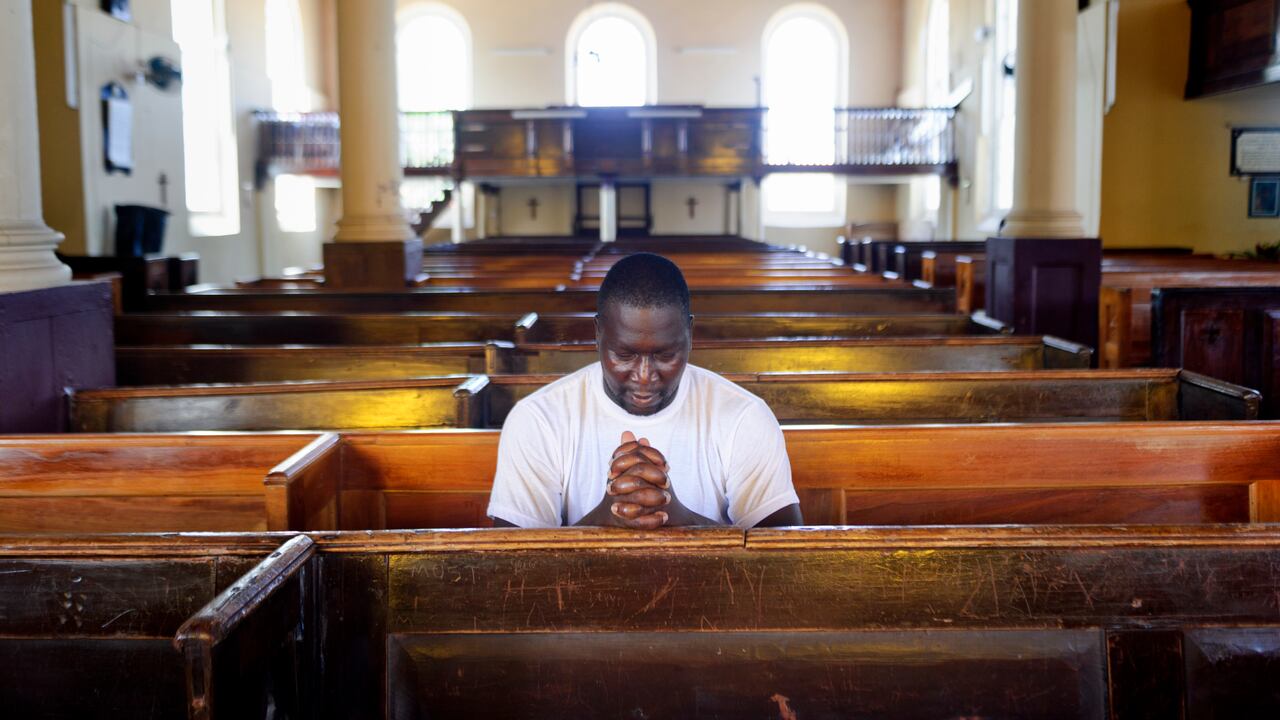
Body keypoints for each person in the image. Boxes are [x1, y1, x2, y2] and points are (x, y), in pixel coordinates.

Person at [487, 252, 803, 529]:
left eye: (665, 355)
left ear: (690, 334)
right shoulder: (538, 419)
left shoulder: (744, 416)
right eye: (624, 355)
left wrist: (681, 520)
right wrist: (605, 518)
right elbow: (511, 566)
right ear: (598, 334)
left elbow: (784, 556)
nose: (644, 376)